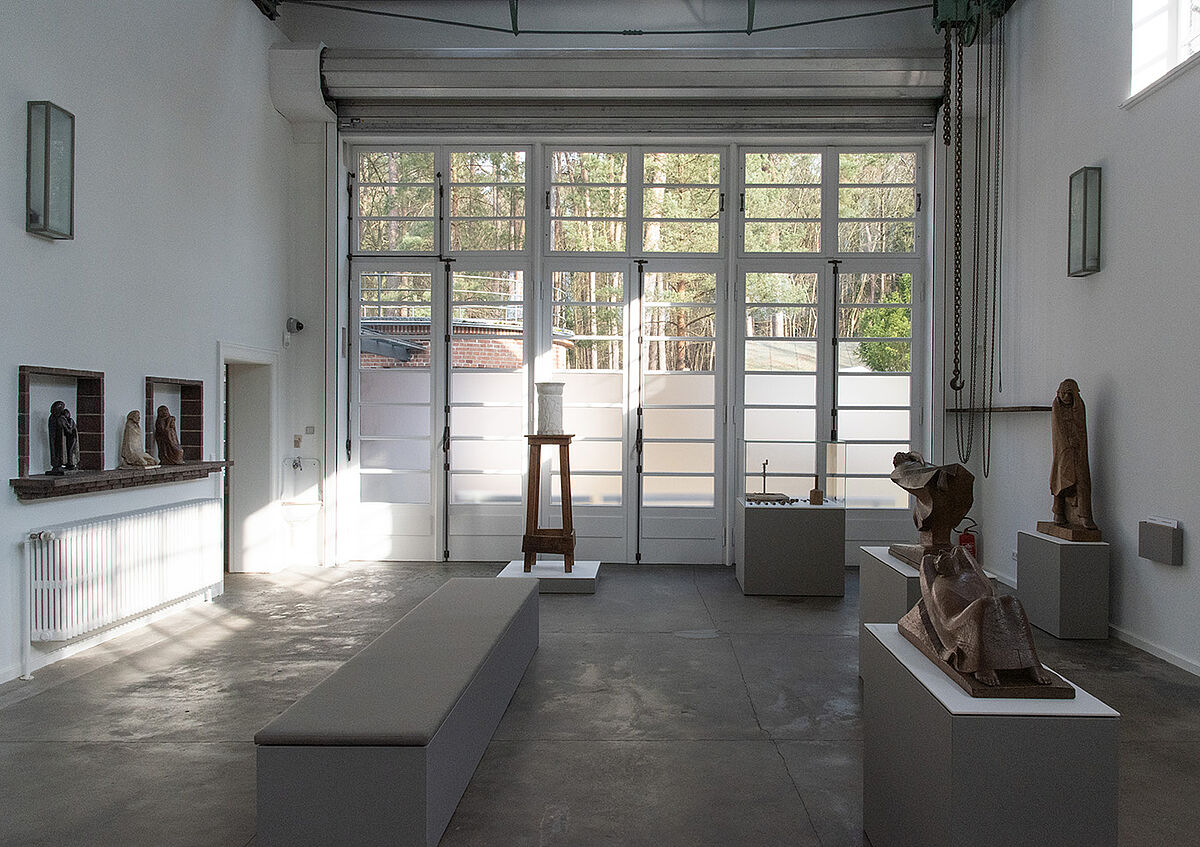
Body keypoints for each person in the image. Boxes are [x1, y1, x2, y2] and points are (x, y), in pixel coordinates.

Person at [1049, 379, 1097, 530]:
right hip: (1063, 451)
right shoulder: (1057, 406)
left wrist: (1075, 441)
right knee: (1060, 480)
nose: (1066, 397)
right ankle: (1059, 512)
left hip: (1078, 451)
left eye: (1069, 394)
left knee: (1082, 480)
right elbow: (1058, 431)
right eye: (1063, 393)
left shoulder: (1079, 406)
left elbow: (1081, 428)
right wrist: (1067, 443)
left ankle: (1084, 515)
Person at [47, 400, 79, 475]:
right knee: (58, 451)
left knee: (67, 450)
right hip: (58, 438)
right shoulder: (57, 418)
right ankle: (59, 464)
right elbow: (67, 429)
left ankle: (69, 463)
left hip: (66, 438)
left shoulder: (62, 418)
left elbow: (69, 430)